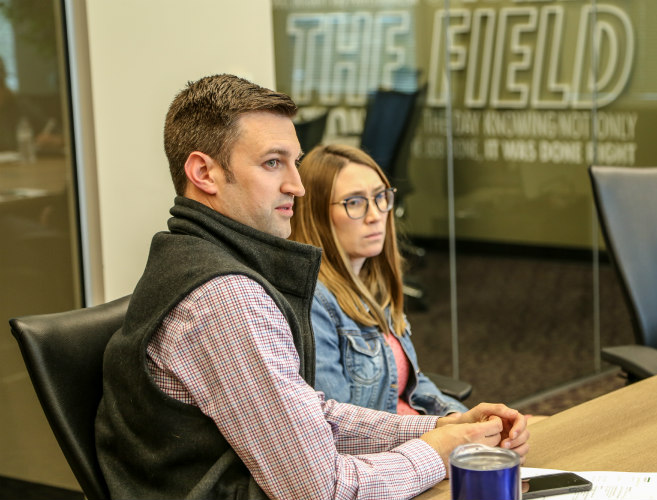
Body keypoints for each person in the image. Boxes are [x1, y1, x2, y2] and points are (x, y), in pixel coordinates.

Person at [95, 74, 529, 500]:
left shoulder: (199, 262)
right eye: (272, 163)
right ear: (204, 172)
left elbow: (308, 414)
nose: (297, 186)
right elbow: (321, 490)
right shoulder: (224, 297)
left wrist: (436, 427)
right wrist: (438, 452)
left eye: (294, 162)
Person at [289, 144, 467, 417]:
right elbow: (340, 428)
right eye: (355, 202)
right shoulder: (314, 302)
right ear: (316, 215)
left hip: (421, 438)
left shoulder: (372, 283)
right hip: (394, 452)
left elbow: (412, 384)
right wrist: (440, 434)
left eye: (381, 197)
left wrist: (461, 419)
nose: (375, 216)